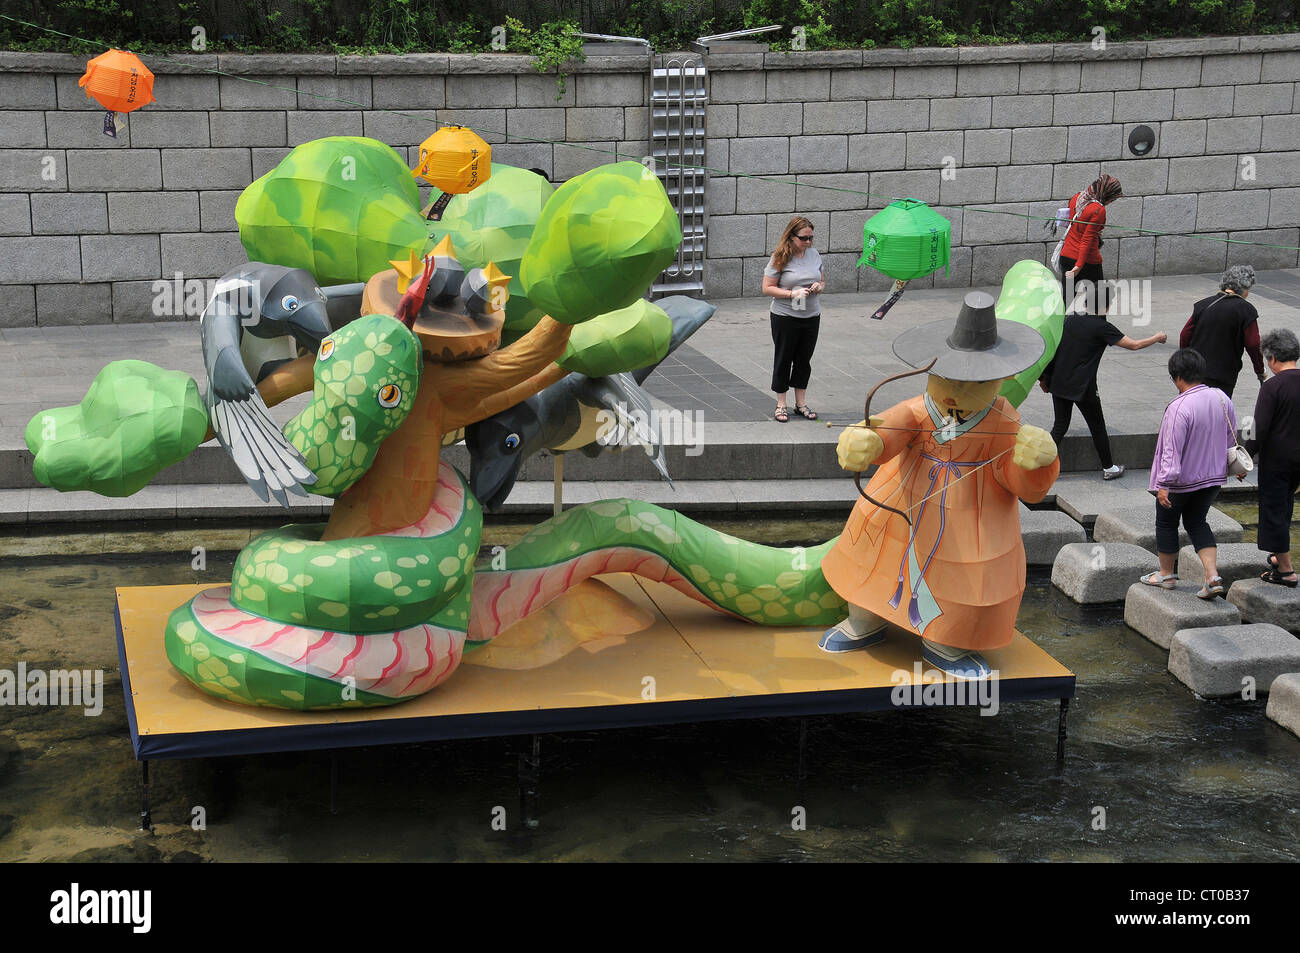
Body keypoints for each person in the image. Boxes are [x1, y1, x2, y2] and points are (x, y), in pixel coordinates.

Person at [819, 291, 1060, 680]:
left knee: (965, 577)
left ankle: (945, 639)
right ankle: (865, 619)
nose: (955, 390)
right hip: (902, 496)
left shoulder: (1004, 421)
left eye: (972, 380)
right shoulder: (919, 407)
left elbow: (1024, 486)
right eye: (948, 375)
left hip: (973, 513)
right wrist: (868, 441)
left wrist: (1037, 463)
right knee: (876, 552)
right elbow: (891, 431)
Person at [1142, 349, 1235, 599]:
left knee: (1166, 522)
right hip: (1213, 478)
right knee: (1197, 522)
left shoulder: (1179, 406)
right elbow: (1230, 436)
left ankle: (1166, 575)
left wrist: (1164, 483)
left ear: (1177, 377)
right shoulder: (1221, 397)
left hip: (1180, 482)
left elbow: (1172, 448)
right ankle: (1211, 575)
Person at [1039, 313, 1166, 480]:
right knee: (1097, 426)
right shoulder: (1102, 327)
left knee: (1060, 426)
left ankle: (1037, 466)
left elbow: (1053, 347)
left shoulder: (1069, 319)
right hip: (1083, 387)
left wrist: (1044, 377)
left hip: (1059, 382)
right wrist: (1157, 337)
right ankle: (1109, 467)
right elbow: (1134, 345)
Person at [1244, 328, 1300, 587]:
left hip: (1278, 460)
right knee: (1287, 505)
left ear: (1273, 358)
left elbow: (1259, 428)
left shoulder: (1272, 387)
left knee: (1274, 510)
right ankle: (1279, 557)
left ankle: (1286, 572)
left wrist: (1245, 456)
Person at [762, 216, 824, 423]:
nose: (808, 242)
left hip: (811, 314)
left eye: (811, 238)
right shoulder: (780, 257)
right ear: (791, 236)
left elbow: (822, 280)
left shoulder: (814, 255)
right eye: (804, 238)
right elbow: (767, 288)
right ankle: (781, 404)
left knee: (803, 360)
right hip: (785, 316)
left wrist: (819, 287)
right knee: (783, 358)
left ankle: (801, 404)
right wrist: (791, 294)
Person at [1179, 264, 1265, 399]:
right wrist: (1260, 370)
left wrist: (1184, 361)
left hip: (1194, 370)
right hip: (1223, 373)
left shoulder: (1203, 304)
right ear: (1244, 288)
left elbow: (1185, 335)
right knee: (1217, 412)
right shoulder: (1246, 310)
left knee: (1191, 409)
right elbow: (1253, 344)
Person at [1058, 174, 1123, 315]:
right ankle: (1099, 332)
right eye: (1113, 198)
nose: (1111, 201)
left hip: (1066, 256)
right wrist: (1079, 266)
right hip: (1088, 262)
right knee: (1098, 302)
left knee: (1066, 300)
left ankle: (1057, 330)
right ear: (1107, 194)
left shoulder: (1077, 197)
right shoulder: (1098, 210)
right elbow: (1086, 240)